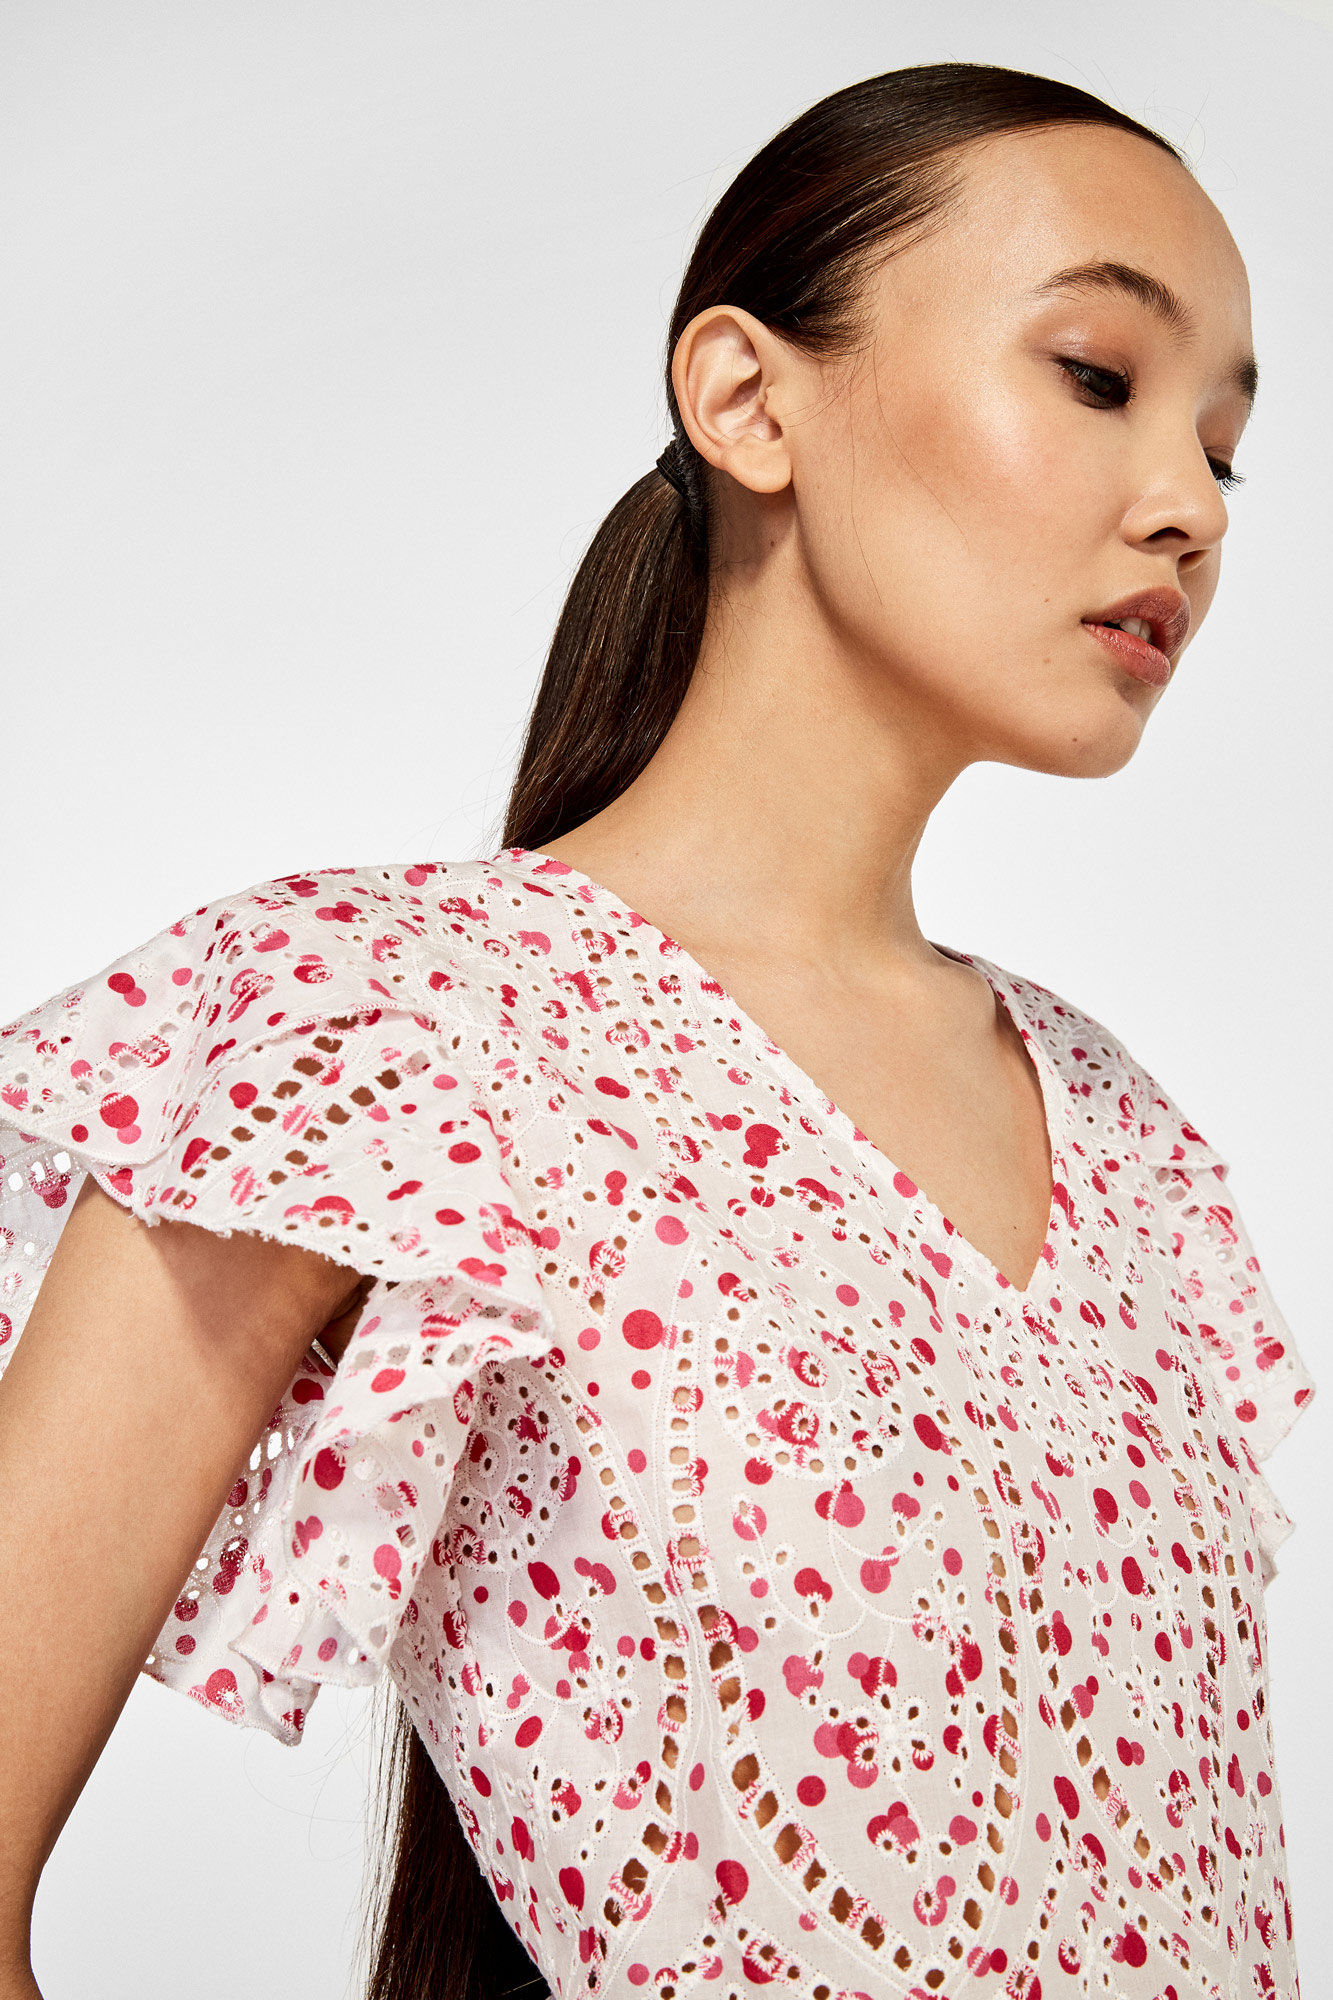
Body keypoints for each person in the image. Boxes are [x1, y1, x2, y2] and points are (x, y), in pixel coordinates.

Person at [0, 59, 1313, 2000]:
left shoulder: (1127, 1142)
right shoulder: (374, 1029)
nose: (1186, 508)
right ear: (747, 398)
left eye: (1224, 450)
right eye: (1095, 376)